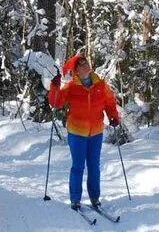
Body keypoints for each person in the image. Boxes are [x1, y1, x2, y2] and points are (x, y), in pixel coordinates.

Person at [49, 54, 121, 210]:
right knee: (78, 166)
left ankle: (95, 198)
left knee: (94, 166)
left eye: (85, 62)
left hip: (96, 132)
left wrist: (113, 116)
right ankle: (75, 199)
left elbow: (109, 102)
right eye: (81, 64)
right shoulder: (71, 87)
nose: (85, 65)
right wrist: (55, 86)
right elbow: (57, 102)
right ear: (76, 71)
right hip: (77, 132)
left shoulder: (100, 85)